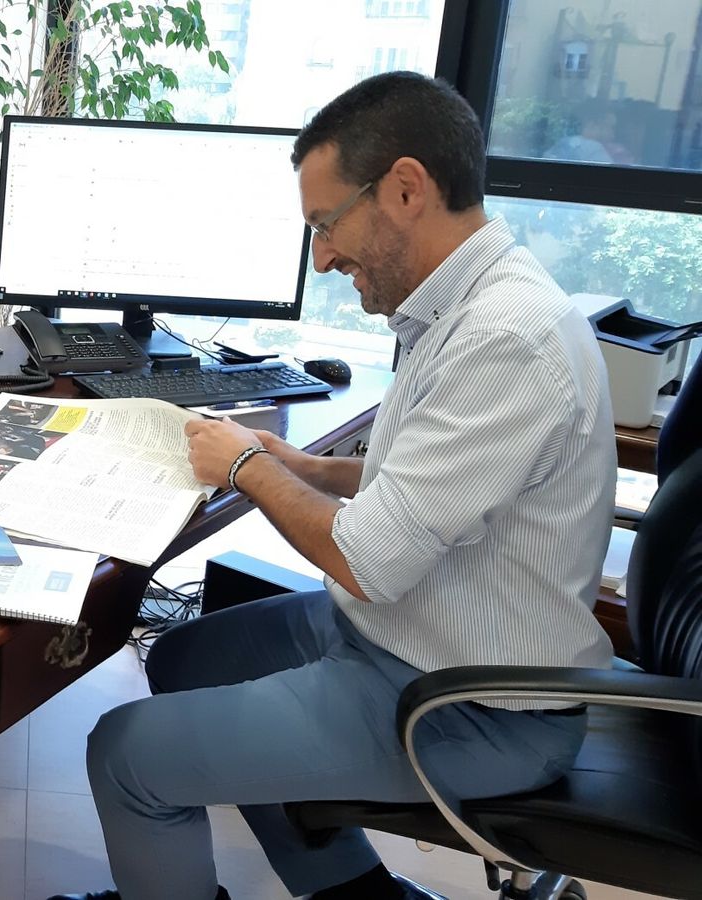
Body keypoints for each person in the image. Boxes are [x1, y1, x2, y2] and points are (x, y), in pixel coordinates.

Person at [51, 72, 615, 900]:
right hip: (403, 636)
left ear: (407, 188)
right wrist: (295, 462)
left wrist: (245, 468)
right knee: (183, 659)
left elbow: (369, 559)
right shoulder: (467, 307)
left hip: (464, 702)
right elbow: (418, 480)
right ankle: (351, 892)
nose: (322, 256)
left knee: (124, 753)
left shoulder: (507, 341)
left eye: (326, 224)